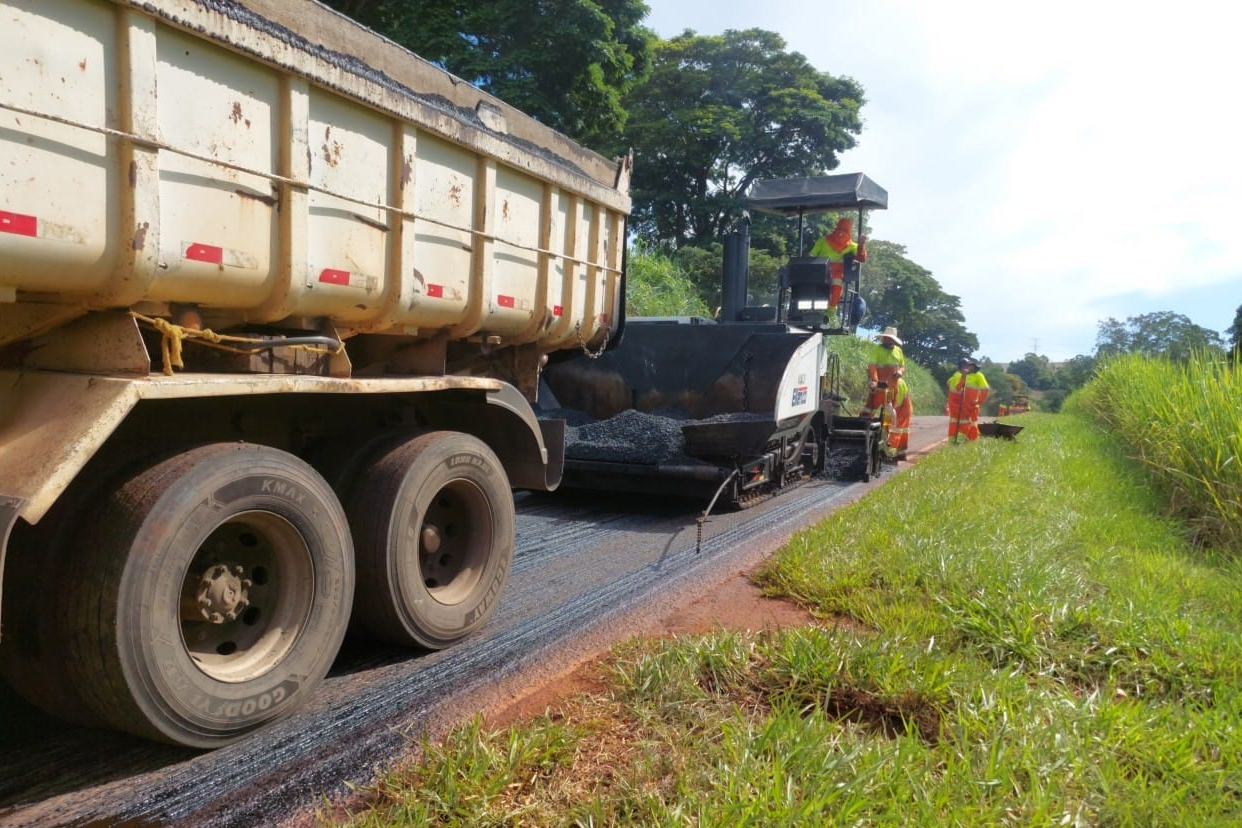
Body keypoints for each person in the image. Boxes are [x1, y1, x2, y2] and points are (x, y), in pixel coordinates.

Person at [809, 217, 867, 323]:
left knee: (836, 281)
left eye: (843, 230)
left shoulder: (852, 246)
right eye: (840, 230)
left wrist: (861, 245)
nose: (841, 234)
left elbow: (861, 258)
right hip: (821, 275)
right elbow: (810, 257)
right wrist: (861, 244)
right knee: (835, 282)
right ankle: (826, 310)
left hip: (828, 275)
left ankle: (828, 311)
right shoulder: (824, 241)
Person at [862, 327, 905, 418]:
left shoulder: (898, 351)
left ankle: (885, 430)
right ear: (883, 338)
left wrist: (900, 371)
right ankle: (865, 425)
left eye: (889, 338)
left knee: (889, 411)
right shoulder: (877, 349)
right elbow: (872, 366)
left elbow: (902, 366)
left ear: (893, 340)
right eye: (886, 338)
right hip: (879, 386)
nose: (887, 340)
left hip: (892, 387)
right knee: (871, 406)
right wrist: (874, 380)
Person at [946, 357, 989, 442]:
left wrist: (979, 401)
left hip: (970, 406)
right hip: (960, 406)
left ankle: (967, 442)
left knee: (970, 424)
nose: (968, 367)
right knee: (962, 424)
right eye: (966, 366)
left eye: (969, 365)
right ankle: (960, 442)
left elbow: (985, 389)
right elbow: (954, 386)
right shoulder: (958, 375)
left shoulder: (978, 375)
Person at [886, 374, 913, 460]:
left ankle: (890, 453)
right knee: (889, 427)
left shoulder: (896, 383)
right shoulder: (892, 381)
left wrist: (889, 410)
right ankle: (901, 453)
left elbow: (896, 402)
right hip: (900, 408)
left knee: (895, 430)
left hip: (902, 409)